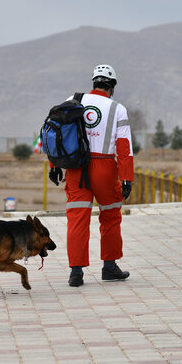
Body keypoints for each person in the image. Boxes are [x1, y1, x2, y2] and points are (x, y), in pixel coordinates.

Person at [49, 64, 134, 287]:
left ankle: (76, 273)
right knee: (111, 216)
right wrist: (127, 177)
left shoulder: (74, 99)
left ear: (93, 83)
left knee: (77, 218)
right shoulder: (118, 109)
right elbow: (124, 147)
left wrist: (54, 164)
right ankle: (109, 267)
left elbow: (57, 132)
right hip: (104, 167)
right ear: (112, 86)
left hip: (76, 168)